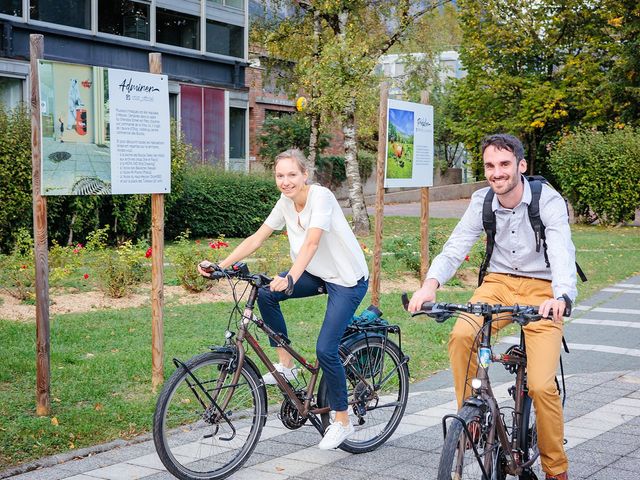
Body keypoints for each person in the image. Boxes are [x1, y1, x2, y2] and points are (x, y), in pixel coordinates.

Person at [408, 134, 577, 480]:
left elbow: (562, 249)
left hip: (542, 289)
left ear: (521, 166)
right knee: (460, 335)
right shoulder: (482, 200)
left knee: (542, 386)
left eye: (504, 164)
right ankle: (470, 416)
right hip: (497, 284)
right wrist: (429, 285)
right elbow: (456, 246)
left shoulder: (547, 200)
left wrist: (561, 297)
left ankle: (556, 470)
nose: (497, 172)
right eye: (490, 165)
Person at [198, 148, 369, 450]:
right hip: (317, 273)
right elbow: (257, 237)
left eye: (292, 174)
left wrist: (290, 276)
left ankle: (342, 421)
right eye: (280, 175)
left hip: (346, 279)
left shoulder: (322, 198)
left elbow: (313, 241)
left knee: (326, 349)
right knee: (265, 292)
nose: (286, 181)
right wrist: (221, 265)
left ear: (305, 175)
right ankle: (286, 365)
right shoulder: (285, 203)